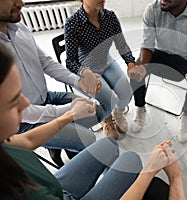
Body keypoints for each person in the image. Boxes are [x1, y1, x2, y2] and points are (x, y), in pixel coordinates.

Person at [0, 41, 143, 200]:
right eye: (13, 100)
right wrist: (152, 174)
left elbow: (27, 140)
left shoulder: (5, 143)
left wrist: (70, 114)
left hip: (55, 187)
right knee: (132, 160)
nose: (25, 102)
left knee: (109, 144)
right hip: (55, 194)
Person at [0, 0, 104, 168]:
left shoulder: (20, 28)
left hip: (45, 97)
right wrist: (68, 111)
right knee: (88, 139)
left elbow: (46, 63)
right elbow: (20, 111)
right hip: (23, 121)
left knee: (96, 111)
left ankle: (64, 148)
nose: (21, 3)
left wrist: (79, 82)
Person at [128, 0, 187, 143]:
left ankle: (185, 115)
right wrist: (142, 67)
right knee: (137, 69)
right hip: (158, 54)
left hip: (184, 58)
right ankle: (140, 107)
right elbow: (147, 43)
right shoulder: (152, 9)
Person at [64, 0, 136, 139]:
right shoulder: (72, 23)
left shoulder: (110, 16)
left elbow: (121, 44)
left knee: (126, 93)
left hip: (106, 62)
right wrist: (84, 72)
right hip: (87, 70)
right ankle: (106, 119)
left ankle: (118, 112)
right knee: (109, 100)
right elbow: (70, 61)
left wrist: (131, 62)